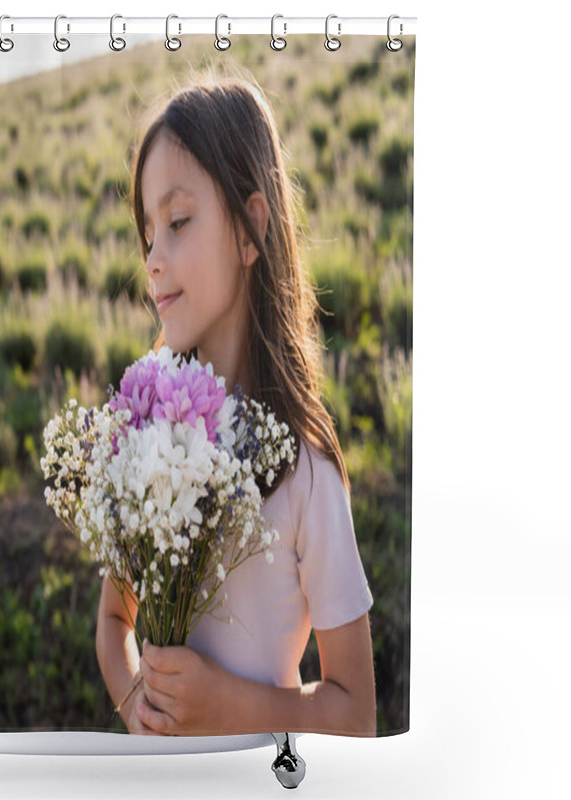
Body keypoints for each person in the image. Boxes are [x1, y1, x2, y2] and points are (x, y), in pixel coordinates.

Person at [95, 66, 376, 738]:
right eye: (147, 235)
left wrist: (228, 708)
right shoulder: (150, 434)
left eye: (179, 221)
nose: (153, 258)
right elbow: (112, 623)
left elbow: (358, 712)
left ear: (251, 229)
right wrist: (138, 700)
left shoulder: (306, 470)